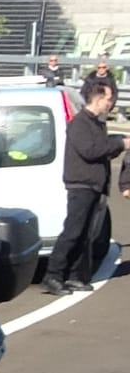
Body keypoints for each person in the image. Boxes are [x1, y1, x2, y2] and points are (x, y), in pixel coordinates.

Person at [44, 75, 125, 296]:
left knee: (86, 233)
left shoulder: (95, 124)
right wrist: (119, 143)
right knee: (73, 231)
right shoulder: (80, 123)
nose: (110, 103)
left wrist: (115, 145)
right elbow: (91, 150)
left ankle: (74, 275)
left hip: (93, 185)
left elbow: (100, 148)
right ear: (98, 98)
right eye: (108, 99)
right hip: (81, 185)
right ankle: (53, 274)